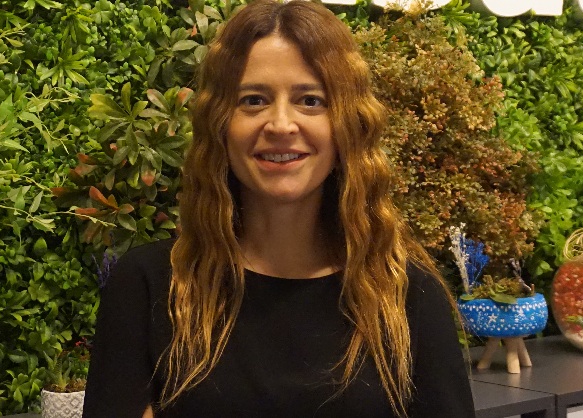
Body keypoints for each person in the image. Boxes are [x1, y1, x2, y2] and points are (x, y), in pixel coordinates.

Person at [82, 1, 475, 417]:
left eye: (311, 100)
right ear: (220, 124)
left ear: (347, 125)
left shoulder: (406, 296)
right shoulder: (151, 287)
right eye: (253, 100)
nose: (282, 125)